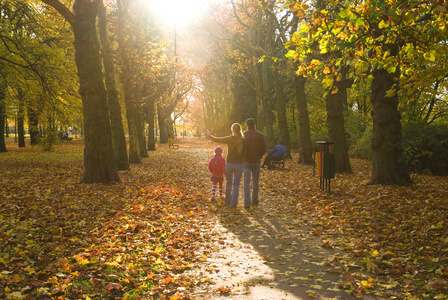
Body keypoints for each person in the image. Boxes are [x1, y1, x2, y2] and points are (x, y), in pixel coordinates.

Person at [206, 123, 246, 208]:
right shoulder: (243, 140)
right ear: (240, 130)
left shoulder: (230, 138)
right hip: (239, 164)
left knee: (229, 183)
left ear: (232, 130)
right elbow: (246, 152)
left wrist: (210, 136)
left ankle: (227, 202)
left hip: (230, 163)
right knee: (236, 185)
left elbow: (219, 139)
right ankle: (233, 204)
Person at [243, 118, 266, 208]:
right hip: (256, 161)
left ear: (247, 125)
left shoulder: (243, 135)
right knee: (256, 181)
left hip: (246, 161)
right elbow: (264, 149)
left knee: (246, 182)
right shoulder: (260, 135)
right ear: (255, 125)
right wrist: (259, 156)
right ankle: (255, 200)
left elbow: (240, 148)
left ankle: (247, 202)